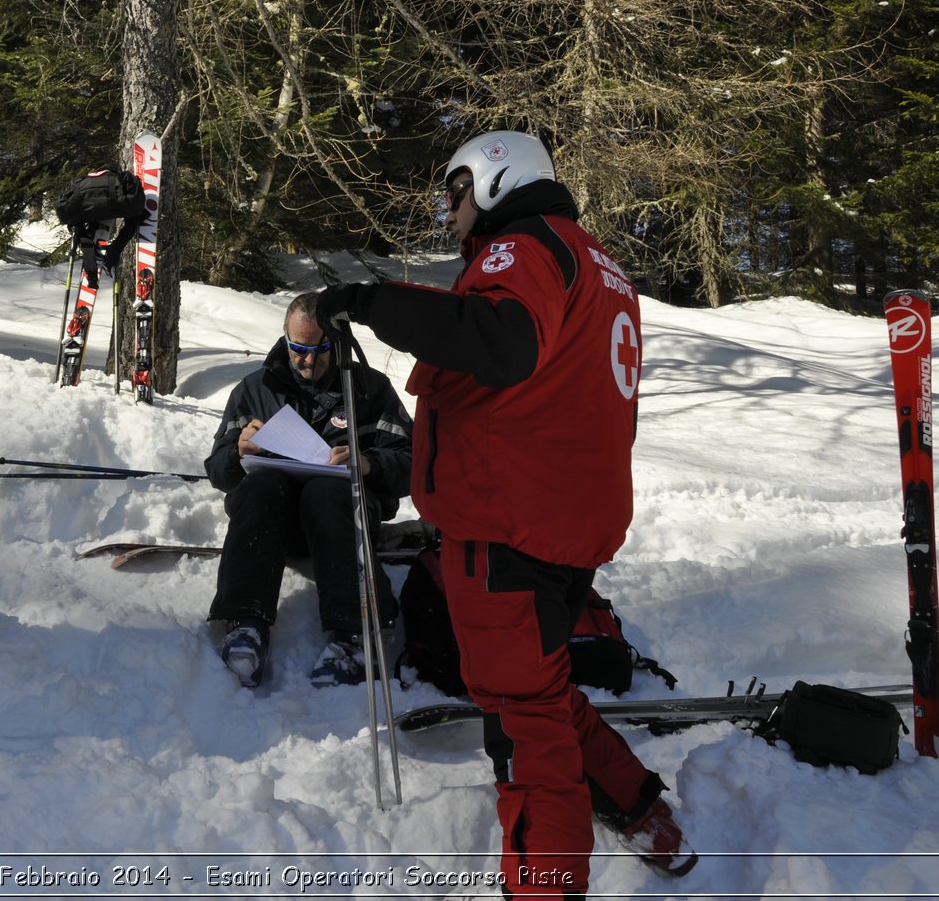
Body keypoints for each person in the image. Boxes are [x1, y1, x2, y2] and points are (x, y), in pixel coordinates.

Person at [314, 132, 696, 895]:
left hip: (510, 523)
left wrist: (368, 300)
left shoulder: (522, 247)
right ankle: (638, 806)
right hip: (561, 519)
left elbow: (500, 340)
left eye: (454, 192)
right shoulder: (592, 259)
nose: (447, 212)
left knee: (526, 730)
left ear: (495, 179)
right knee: (538, 692)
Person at [205, 292, 412, 689]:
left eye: (320, 349)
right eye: (298, 349)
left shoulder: (369, 389)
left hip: (341, 517)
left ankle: (355, 635)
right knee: (261, 484)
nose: (309, 360)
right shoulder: (254, 389)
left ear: (338, 342)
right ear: (284, 339)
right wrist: (238, 451)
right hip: (275, 520)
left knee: (326, 491)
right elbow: (217, 471)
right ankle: (245, 622)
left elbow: (412, 461)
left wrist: (368, 463)